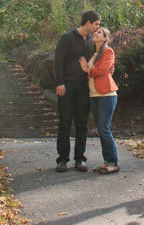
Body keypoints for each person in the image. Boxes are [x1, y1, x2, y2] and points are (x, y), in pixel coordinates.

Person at [54, 10, 100, 172]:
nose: (97, 27)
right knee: (65, 123)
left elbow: (98, 59)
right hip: (67, 87)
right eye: (96, 24)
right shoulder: (67, 38)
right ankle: (62, 159)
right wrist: (60, 83)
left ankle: (80, 159)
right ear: (87, 23)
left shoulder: (91, 40)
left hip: (84, 89)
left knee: (82, 124)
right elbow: (58, 62)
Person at [80, 26, 120, 174]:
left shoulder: (108, 51)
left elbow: (103, 70)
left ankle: (113, 162)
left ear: (105, 38)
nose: (95, 34)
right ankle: (106, 161)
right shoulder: (94, 53)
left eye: (99, 33)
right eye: (95, 32)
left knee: (104, 128)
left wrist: (87, 70)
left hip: (106, 94)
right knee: (101, 129)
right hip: (94, 95)